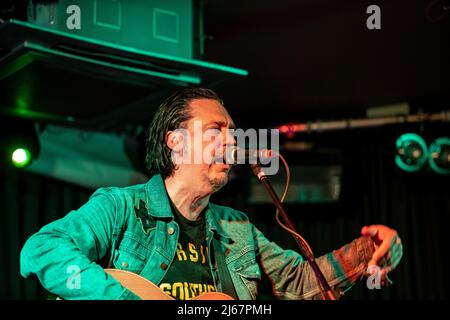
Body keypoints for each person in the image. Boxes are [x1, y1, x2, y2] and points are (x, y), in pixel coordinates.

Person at [20, 87, 403, 300]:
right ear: (176, 141)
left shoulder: (237, 228)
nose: (230, 140)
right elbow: (42, 250)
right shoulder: (121, 208)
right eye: (216, 129)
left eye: (233, 131)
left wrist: (370, 251)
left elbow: (303, 283)